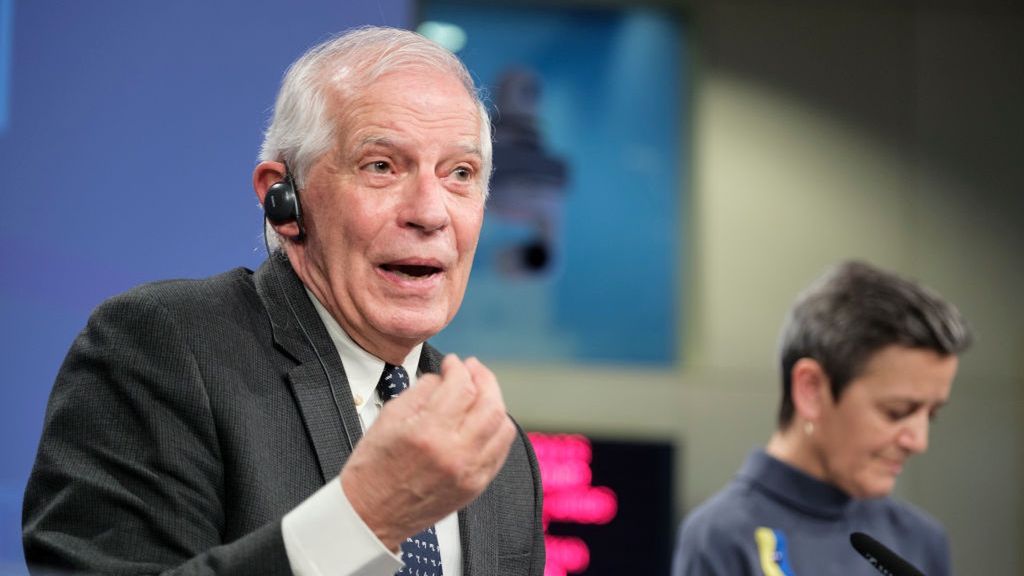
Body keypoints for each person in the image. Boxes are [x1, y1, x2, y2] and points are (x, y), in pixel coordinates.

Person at [23, 26, 544, 576]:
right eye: (381, 166)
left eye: (460, 174)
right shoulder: (160, 350)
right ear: (284, 199)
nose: (430, 212)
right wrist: (363, 519)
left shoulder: (497, 456)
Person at [671, 260, 971, 576]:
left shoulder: (919, 539)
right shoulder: (722, 537)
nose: (919, 441)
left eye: (932, 415)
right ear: (811, 389)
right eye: (896, 412)